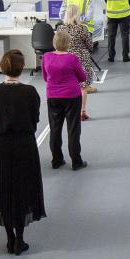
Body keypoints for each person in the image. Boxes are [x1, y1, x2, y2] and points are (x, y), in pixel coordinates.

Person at [0, 50, 45, 256]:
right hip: (24, 146)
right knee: (22, 188)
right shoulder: (30, 92)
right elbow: (35, 119)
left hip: (0, 147)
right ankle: (19, 238)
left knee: (2, 188)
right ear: (21, 69)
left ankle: (10, 237)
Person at [42, 30, 88, 170]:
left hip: (53, 96)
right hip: (71, 96)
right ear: (68, 43)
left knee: (55, 129)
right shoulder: (72, 58)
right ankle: (76, 161)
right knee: (73, 129)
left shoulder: (46, 57)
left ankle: (56, 160)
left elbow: (45, 77)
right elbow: (82, 77)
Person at [58, 5, 95, 120]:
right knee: (83, 87)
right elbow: (90, 45)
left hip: (65, 59)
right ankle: (82, 111)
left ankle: (68, 111)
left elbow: (57, 45)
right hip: (81, 60)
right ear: (76, 14)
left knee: (66, 86)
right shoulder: (82, 28)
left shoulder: (60, 29)